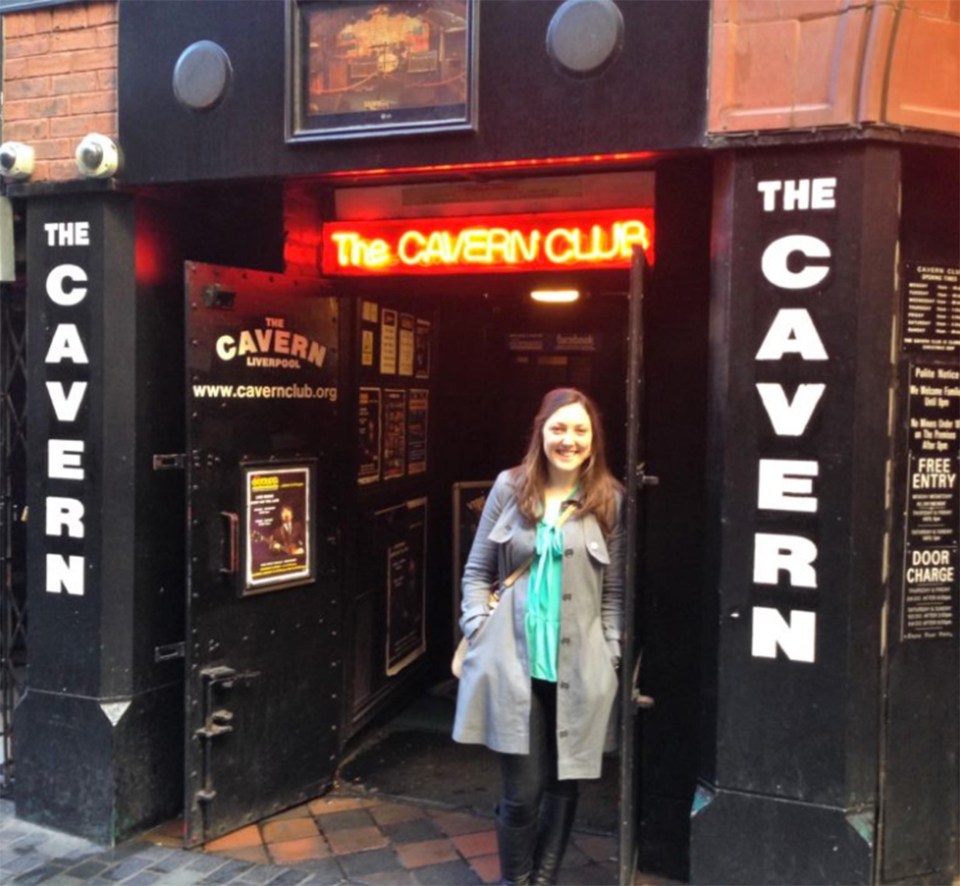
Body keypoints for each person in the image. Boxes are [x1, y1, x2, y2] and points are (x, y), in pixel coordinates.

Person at [453, 387, 625, 886]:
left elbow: (615, 591)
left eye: (579, 430)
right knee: (523, 790)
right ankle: (515, 881)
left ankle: (541, 880)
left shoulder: (610, 499)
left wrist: (610, 654)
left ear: (593, 439)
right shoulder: (510, 488)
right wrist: (478, 629)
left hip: (580, 665)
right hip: (514, 661)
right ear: (541, 433)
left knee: (566, 784)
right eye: (558, 429)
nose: (568, 440)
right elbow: (476, 573)